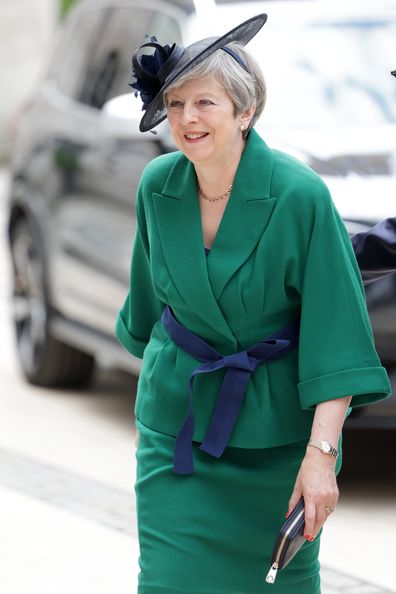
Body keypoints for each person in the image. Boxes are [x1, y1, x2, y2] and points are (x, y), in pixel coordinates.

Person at [115, 14, 392, 594]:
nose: (188, 118)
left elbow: (335, 342)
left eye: (206, 103)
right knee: (167, 582)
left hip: (278, 444)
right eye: (178, 101)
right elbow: (145, 317)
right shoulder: (156, 186)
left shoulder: (301, 196)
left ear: (245, 112)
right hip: (178, 437)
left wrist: (321, 459)